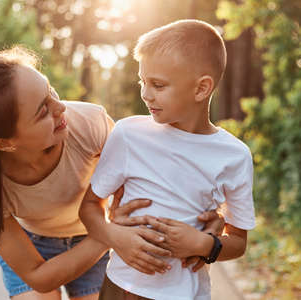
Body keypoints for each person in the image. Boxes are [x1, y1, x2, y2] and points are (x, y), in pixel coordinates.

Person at [0, 46, 223, 300]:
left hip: (93, 236)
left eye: (51, 91)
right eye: (42, 110)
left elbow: (152, 183)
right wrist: (110, 234)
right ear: (5, 142)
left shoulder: (88, 123)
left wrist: (203, 222)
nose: (60, 108)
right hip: (37, 244)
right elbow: (39, 277)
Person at [79, 19, 256, 300]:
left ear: (201, 89)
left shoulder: (234, 156)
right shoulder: (128, 134)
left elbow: (238, 242)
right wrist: (116, 239)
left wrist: (204, 245)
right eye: (143, 81)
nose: (146, 93)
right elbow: (89, 207)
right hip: (121, 289)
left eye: (158, 85)